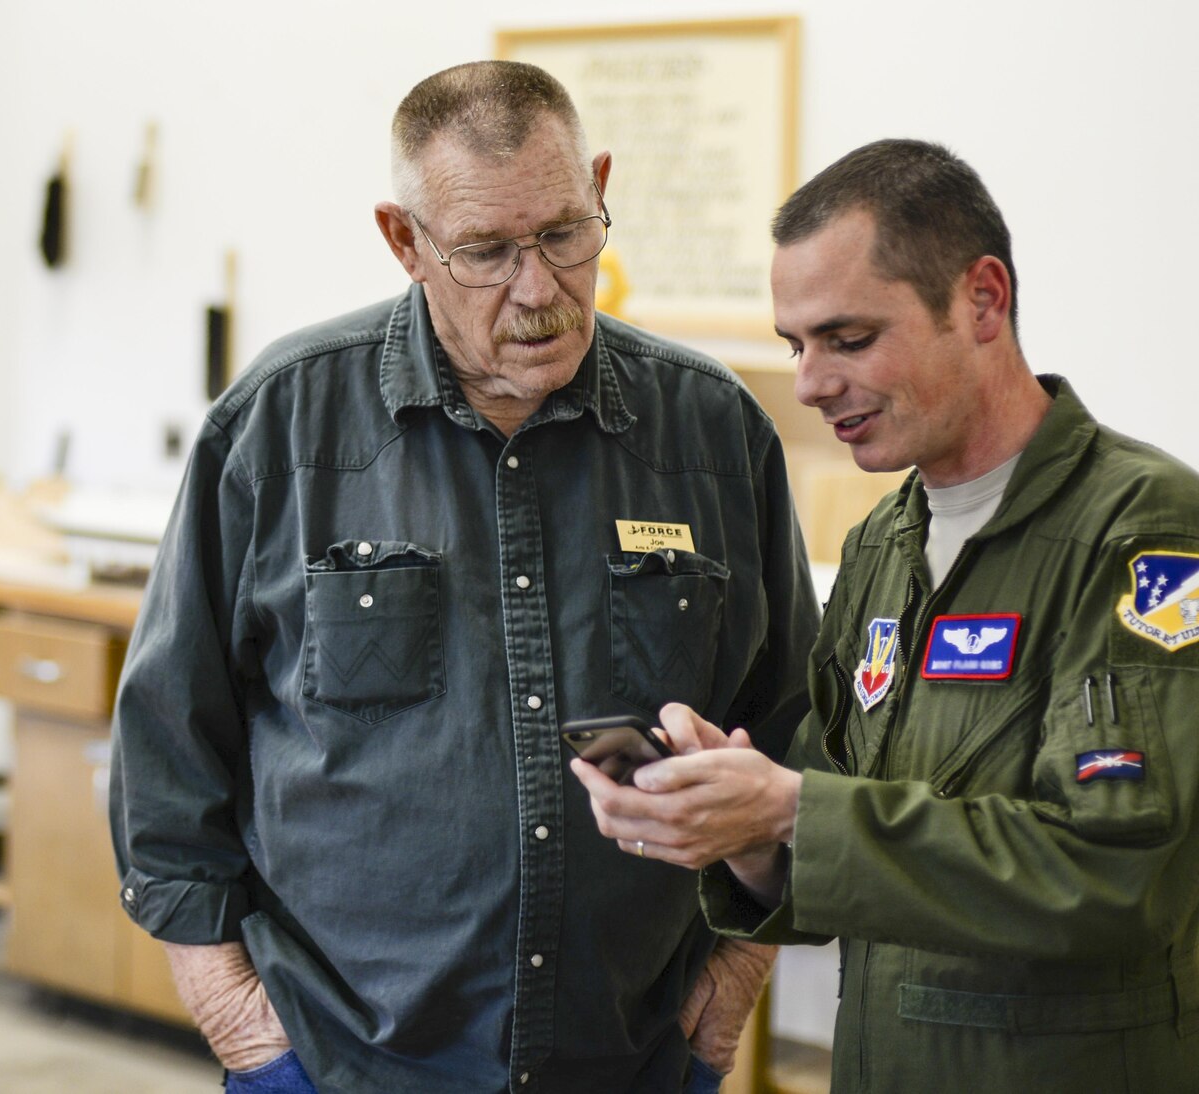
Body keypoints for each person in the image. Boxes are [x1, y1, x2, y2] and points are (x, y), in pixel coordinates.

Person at [109, 60, 821, 1093]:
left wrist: (736, 981)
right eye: (485, 251)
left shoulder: (709, 434)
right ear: (404, 240)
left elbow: (796, 728)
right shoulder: (280, 429)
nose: (537, 289)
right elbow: (168, 750)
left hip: (634, 1057)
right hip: (336, 1060)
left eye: (565, 234)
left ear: (601, 190)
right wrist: (241, 1026)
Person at [573, 139, 1199, 1092]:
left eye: (850, 339)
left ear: (983, 300)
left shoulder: (1142, 530)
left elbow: (1115, 876)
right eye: (797, 346)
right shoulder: (881, 548)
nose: (814, 383)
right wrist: (745, 829)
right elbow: (834, 857)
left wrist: (794, 809)